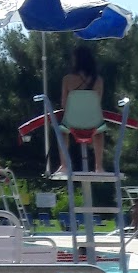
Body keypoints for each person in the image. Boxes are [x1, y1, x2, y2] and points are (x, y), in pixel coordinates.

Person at [60, 42, 105, 176]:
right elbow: (97, 102)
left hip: (72, 121)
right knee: (99, 132)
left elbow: (64, 104)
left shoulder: (67, 79)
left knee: (62, 132)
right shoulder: (98, 80)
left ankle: (64, 165)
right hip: (92, 121)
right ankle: (99, 166)